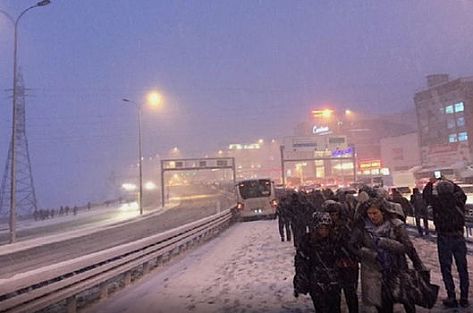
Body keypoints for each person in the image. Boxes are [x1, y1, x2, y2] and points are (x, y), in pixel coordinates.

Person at [349, 196, 426, 313]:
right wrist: (368, 253)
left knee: (406, 299)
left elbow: (407, 247)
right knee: (383, 305)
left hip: (397, 269)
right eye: (369, 213)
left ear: (383, 212)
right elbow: (353, 246)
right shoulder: (362, 227)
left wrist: (385, 243)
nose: (372, 216)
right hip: (375, 272)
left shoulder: (396, 225)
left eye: (375, 213)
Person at [423, 177, 469, 308]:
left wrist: (431, 182)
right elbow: (461, 192)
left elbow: (426, 195)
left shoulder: (437, 202)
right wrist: (450, 181)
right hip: (459, 237)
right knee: (462, 268)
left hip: (444, 237)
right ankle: (464, 297)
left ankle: (452, 296)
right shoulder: (459, 200)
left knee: (446, 268)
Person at [293, 211, 341, 313]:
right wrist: (301, 281)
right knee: (321, 308)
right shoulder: (308, 241)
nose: (323, 231)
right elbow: (301, 262)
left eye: (326, 228)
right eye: (321, 228)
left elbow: (340, 257)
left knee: (335, 308)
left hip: (333, 280)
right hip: (316, 281)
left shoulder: (335, 240)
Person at [323, 200, 359, 313]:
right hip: (334, 265)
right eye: (331, 214)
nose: (333, 217)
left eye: (335, 214)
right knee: (335, 295)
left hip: (349, 264)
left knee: (350, 294)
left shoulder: (347, 226)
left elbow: (353, 244)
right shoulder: (326, 228)